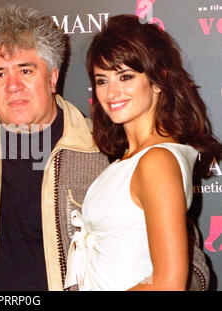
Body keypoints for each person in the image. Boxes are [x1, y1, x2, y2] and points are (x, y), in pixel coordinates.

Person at [0, 5, 109, 291]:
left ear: (52, 77)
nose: (12, 86)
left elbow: (188, 266)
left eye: (25, 70)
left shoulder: (105, 152)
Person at [64, 14, 220, 291]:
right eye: (102, 80)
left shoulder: (157, 161)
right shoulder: (129, 160)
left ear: (158, 81)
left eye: (125, 77)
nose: (112, 92)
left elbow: (168, 284)